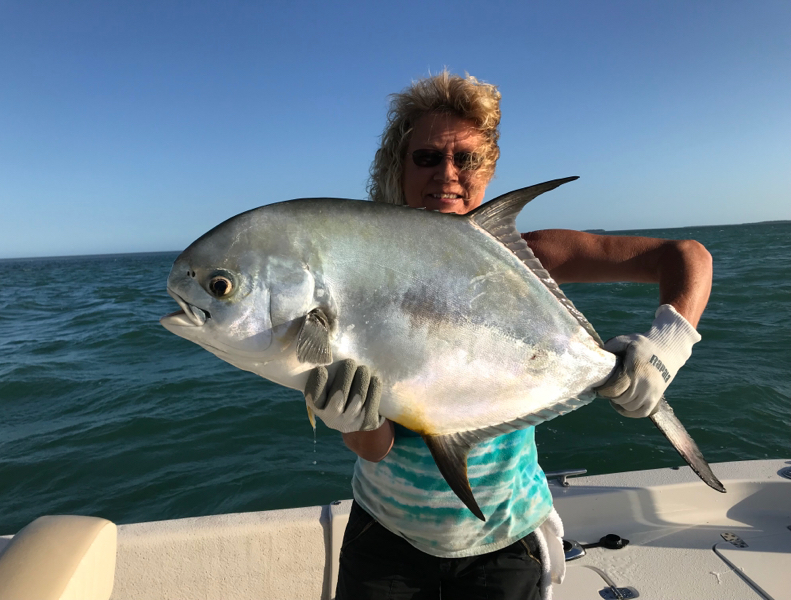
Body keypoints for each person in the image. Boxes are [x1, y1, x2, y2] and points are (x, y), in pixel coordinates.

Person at [304, 71, 712, 600]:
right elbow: (376, 449)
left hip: (507, 540)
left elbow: (685, 257)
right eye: (427, 157)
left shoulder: (530, 258)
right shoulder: (360, 277)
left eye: (466, 158)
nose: (447, 173)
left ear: (489, 168)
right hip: (386, 539)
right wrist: (351, 419)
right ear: (398, 167)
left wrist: (667, 349)